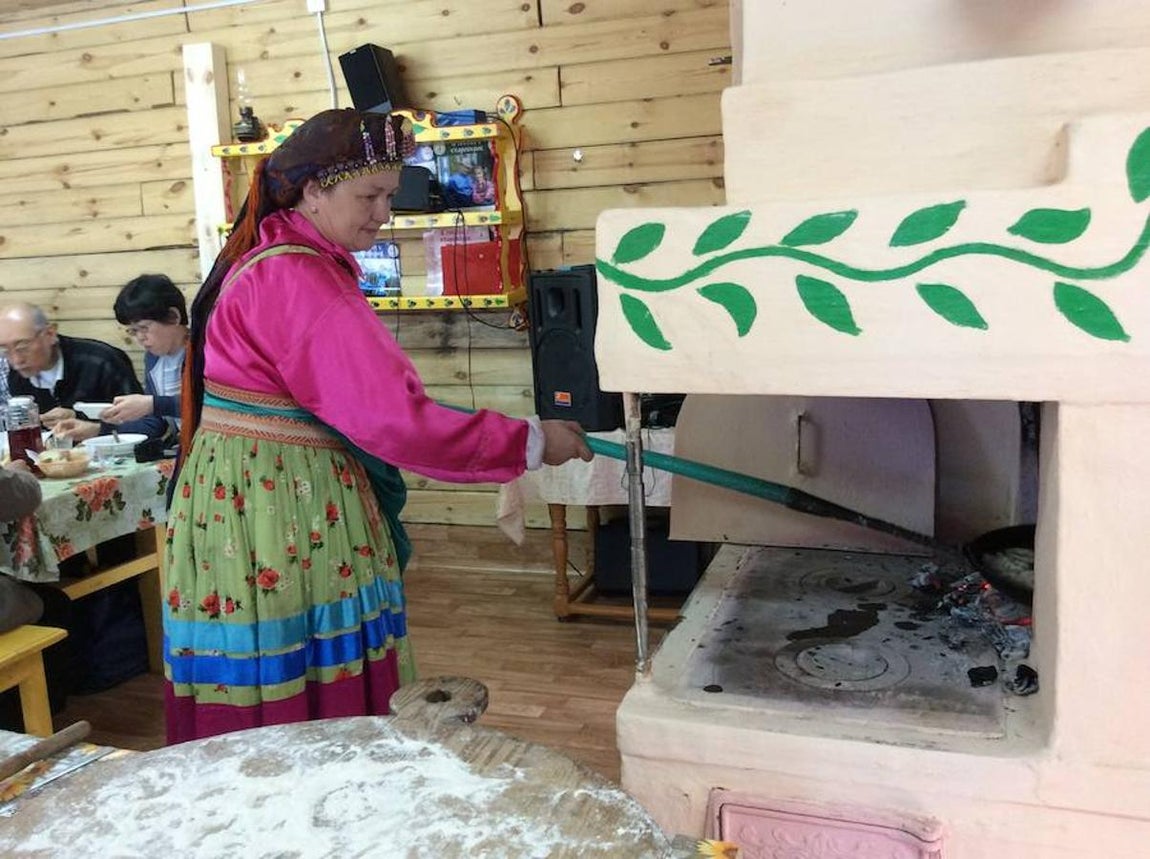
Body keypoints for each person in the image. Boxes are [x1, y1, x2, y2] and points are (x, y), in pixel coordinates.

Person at [166, 108, 591, 743]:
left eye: (390, 194)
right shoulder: (297, 276)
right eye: (369, 194)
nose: (383, 211)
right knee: (301, 655)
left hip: (245, 488)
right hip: (279, 499)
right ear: (314, 190)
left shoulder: (276, 259)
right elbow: (394, 418)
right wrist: (531, 440)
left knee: (264, 653)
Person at [52, 274, 188, 447]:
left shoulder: (204, 350)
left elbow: (211, 404)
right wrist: (97, 429)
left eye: (144, 328)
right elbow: (154, 425)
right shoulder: (154, 359)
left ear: (173, 316)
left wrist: (153, 404)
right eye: (133, 331)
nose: (140, 338)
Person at [0, 303, 142, 427]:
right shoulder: (17, 375)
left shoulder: (100, 361)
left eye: (22, 347)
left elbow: (144, 422)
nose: (16, 360)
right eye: (5, 350)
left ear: (50, 334)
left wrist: (81, 419)